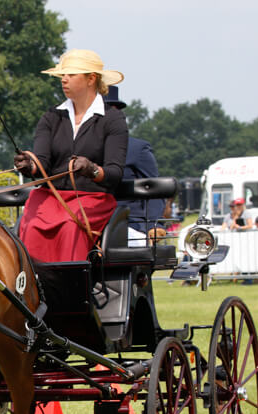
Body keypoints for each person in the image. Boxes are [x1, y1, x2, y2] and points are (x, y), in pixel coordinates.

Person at [13, 49, 128, 262]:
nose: (63, 80)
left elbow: (114, 172)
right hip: (50, 198)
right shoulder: (51, 117)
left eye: (71, 74)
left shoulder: (113, 120)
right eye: (62, 75)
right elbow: (43, 163)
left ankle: (71, 288)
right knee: (31, 227)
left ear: (91, 79)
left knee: (69, 225)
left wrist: (91, 168)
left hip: (92, 199)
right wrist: (30, 165)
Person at [102, 86, 165, 232]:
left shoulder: (137, 149)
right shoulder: (81, 149)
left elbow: (155, 189)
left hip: (128, 224)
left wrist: (154, 225)